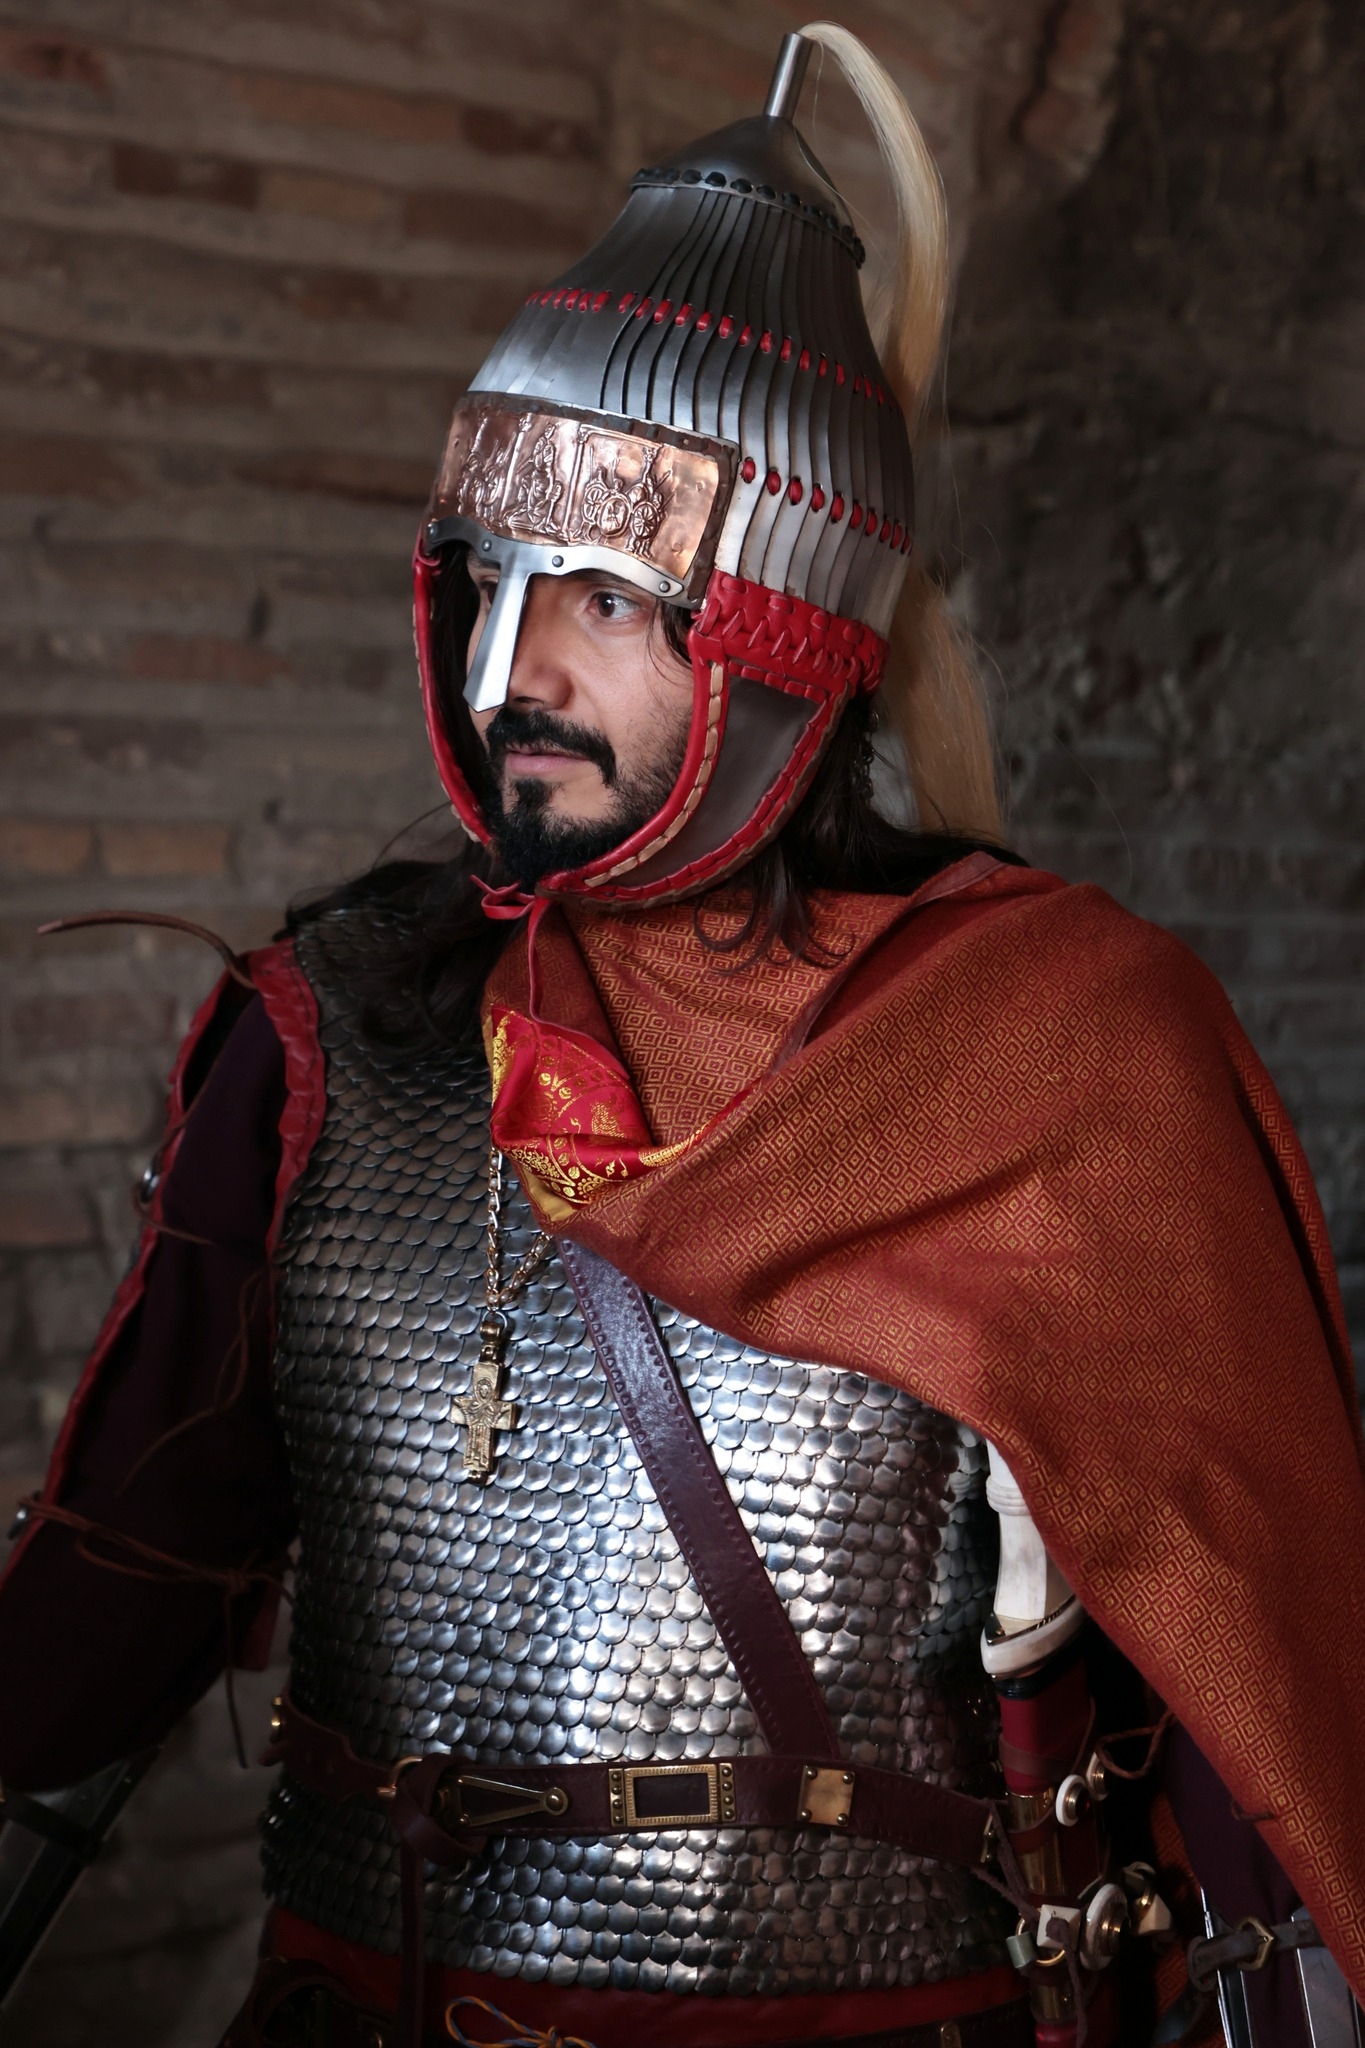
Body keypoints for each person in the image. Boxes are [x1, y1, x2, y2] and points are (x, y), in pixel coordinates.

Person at [1, 24, 1362, 2048]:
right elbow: (99, 1620)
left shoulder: (1056, 1059)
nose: (511, 668)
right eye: (488, 578)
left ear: (778, 634)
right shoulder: (321, 1037)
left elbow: (1257, 1778)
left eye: (607, 600)